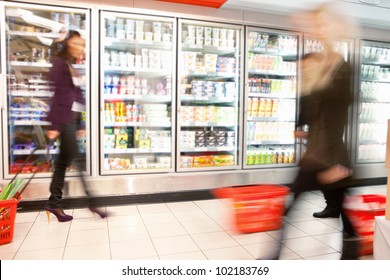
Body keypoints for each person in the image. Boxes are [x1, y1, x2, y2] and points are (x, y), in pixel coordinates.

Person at [44, 30, 106, 222]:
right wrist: (54, 124)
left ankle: (54, 203)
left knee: (62, 163)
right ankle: (92, 203)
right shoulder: (58, 64)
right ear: (67, 44)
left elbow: (78, 97)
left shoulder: (71, 65)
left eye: (82, 45)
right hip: (63, 120)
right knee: (78, 161)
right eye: (77, 44)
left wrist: (81, 122)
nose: (81, 48)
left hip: (71, 120)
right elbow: (55, 96)